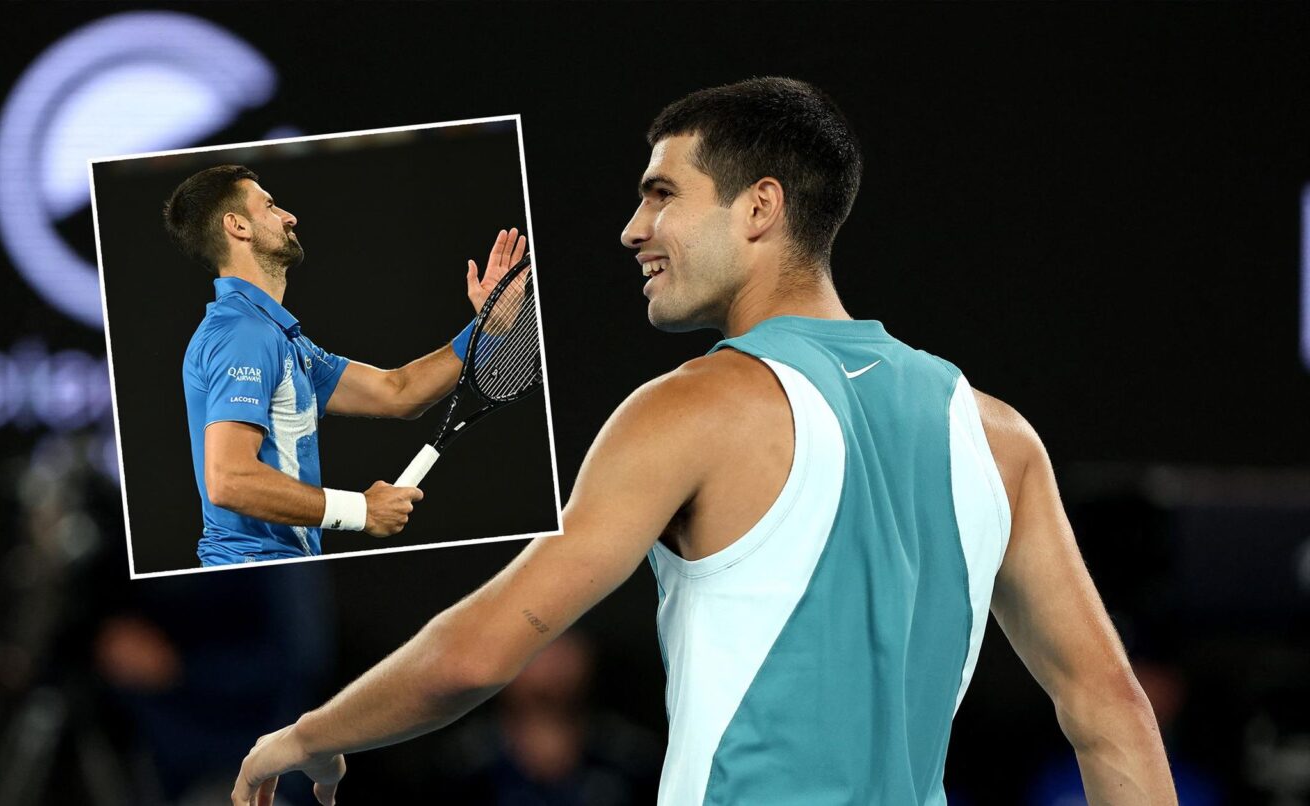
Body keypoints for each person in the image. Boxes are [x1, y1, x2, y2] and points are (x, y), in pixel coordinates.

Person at [232, 78, 1178, 805]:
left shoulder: (692, 409)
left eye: (661, 195)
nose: (630, 228)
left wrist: (308, 735)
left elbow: (480, 654)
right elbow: (1112, 713)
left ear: (759, 208)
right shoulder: (997, 435)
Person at [163, 165, 526, 567]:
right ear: (238, 226)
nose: (288, 216)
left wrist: (488, 327)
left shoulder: (281, 339)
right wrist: (361, 511)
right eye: (269, 206)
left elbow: (399, 393)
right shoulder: (243, 334)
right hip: (246, 570)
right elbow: (229, 480)